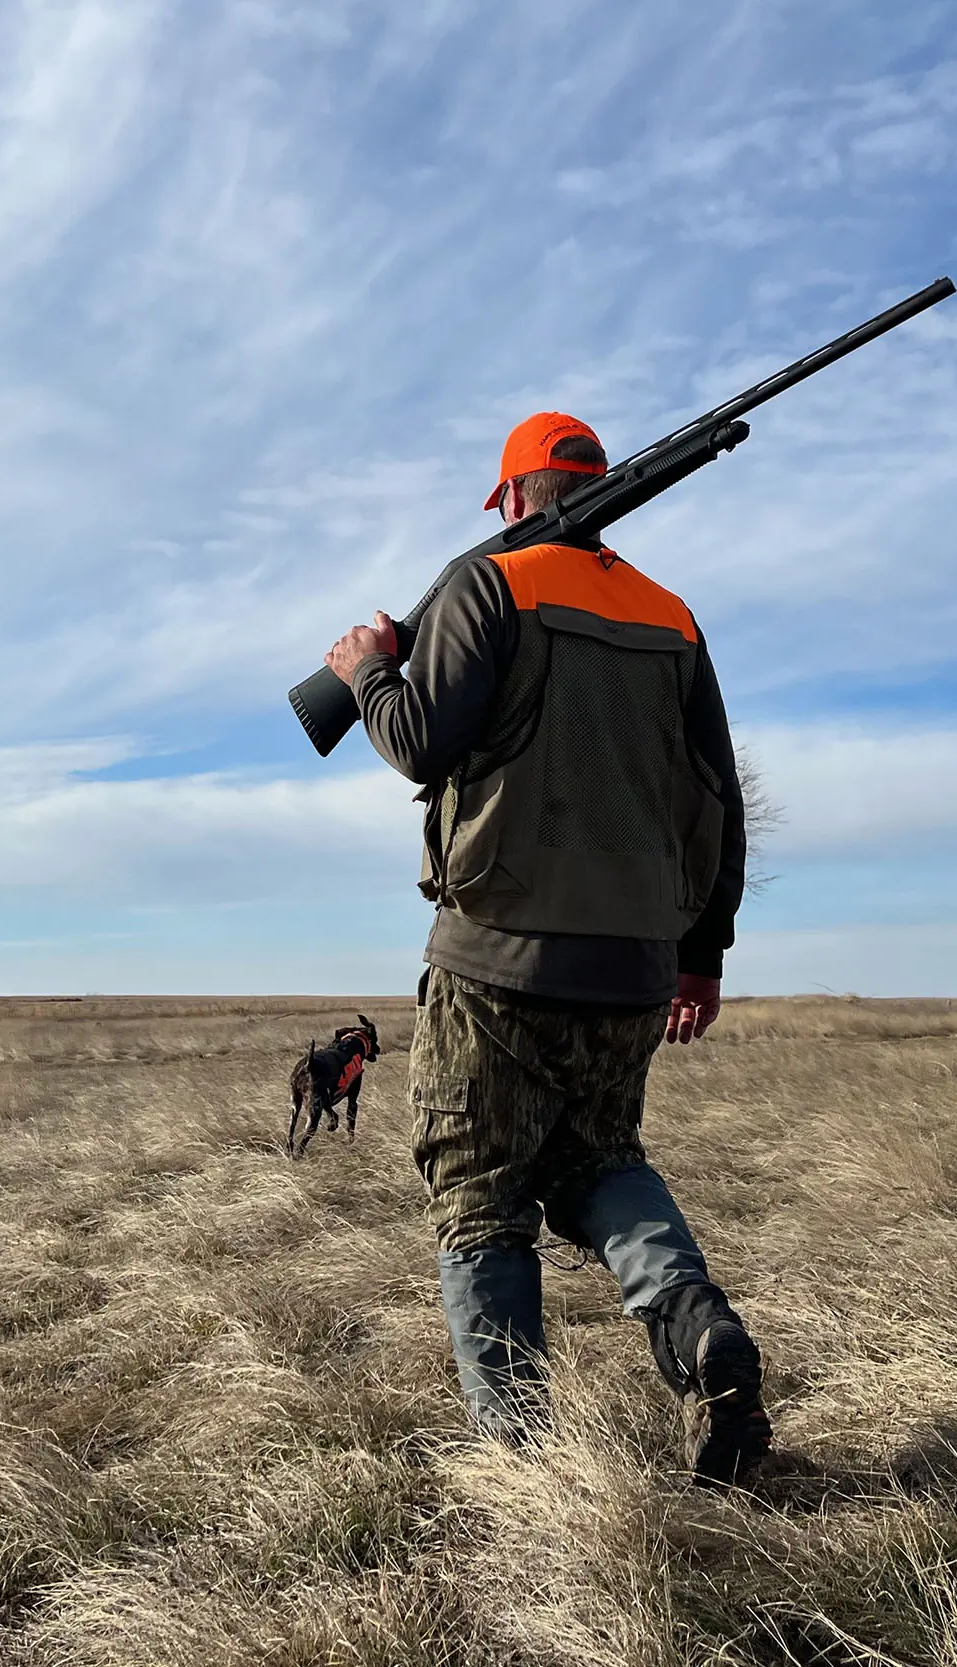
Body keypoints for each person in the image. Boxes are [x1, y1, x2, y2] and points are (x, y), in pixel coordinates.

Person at [321, 411, 771, 1485]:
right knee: (598, 1161)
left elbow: (417, 739)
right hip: (634, 966)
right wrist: (701, 954)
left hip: (497, 960)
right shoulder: (671, 615)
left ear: (511, 497)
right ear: (599, 485)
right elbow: (719, 795)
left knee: (480, 1192)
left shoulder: (492, 583)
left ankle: (526, 1464)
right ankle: (695, 1323)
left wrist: (362, 673)